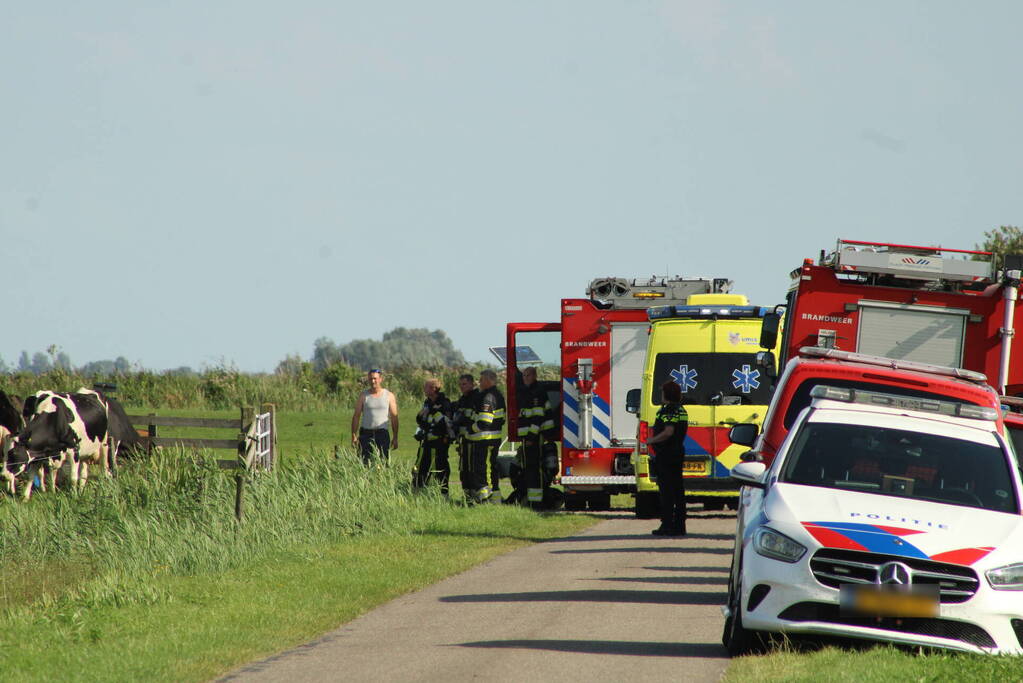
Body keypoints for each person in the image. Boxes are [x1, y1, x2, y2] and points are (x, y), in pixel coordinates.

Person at [644, 380, 689, 536]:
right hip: (677, 452)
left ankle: (667, 525)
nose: (661, 395)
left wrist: (651, 440)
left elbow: (668, 431)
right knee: (678, 490)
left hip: (667, 454)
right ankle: (679, 525)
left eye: (663, 392)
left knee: (666, 491)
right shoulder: (681, 410)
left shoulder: (668, 410)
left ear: (667, 394)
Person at [509, 366, 557, 507]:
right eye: (523, 376)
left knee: (534, 469)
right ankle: (532, 500)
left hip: (535, 437)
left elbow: (537, 418)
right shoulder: (528, 391)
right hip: (529, 438)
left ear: (534, 376)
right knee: (529, 469)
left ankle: (537, 502)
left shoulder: (537, 393)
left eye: (528, 375)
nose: (525, 378)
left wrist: (530, 437)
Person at [466, 368, 505, 502]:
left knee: (485, 469)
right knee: (491, 468)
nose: (479, 382)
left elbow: (484, 422)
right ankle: (495, 497)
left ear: (489, 381)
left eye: (481, 380)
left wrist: (470, 429)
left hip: (485, 440)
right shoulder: (497, 395)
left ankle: (486, 498)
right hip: (492, 439)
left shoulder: (488, 397)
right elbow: (502, 419)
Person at [413, 377, 454, 494]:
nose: (424, 389)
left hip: (439, 442)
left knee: (440, 467)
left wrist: (433, 413)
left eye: (426, 387)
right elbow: (421, 419)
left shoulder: (444, 403)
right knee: (421, 467)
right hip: (426, 441)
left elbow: (446, 423)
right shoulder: (427, 402)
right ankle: (418, 492)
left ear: (433, 388)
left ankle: (443, 493)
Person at [350, 368, 399, 463]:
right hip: (366, 435)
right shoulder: (363, 396)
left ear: (380, 379)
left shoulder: (389, 395)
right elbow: (356, 416)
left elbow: (394, 417)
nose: (373, 381)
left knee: (383, 462)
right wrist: (353, 435)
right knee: (364, 463)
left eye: (375, 378)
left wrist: (395, 437)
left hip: (382, 434)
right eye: (370, 379)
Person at [453, 373, 479, 500]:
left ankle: (474, 495)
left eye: (464, 384)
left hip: (473, 440)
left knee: (472, 468)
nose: (461, 387)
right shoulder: (462, 400)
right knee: (464, 469)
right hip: (463, 441)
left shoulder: (476, 398)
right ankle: (467, 495)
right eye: (460, 384)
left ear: (472, 384)